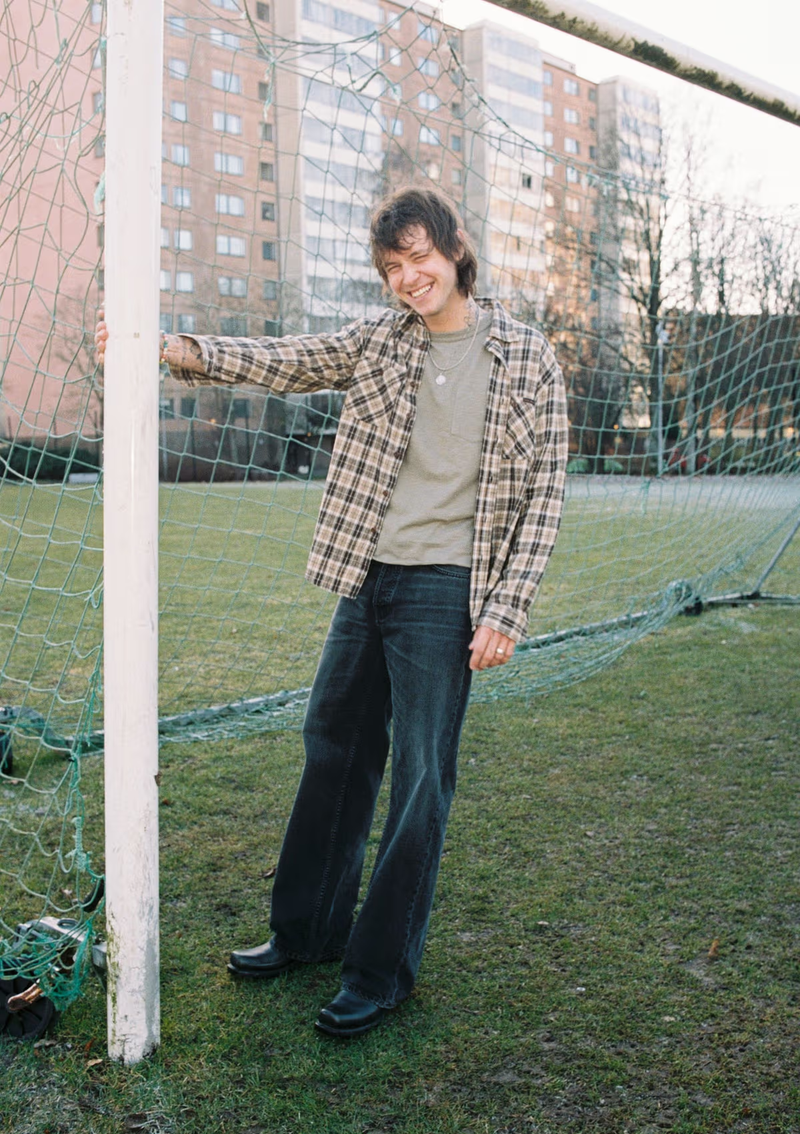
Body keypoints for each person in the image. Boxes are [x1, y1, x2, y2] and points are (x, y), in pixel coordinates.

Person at [95, 185, 568, 1037]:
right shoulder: (381, 340)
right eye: (392, 268)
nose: (408, 278)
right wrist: (170, 350)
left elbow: (544, 495)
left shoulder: (528, 357)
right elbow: (289, 360)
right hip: (367, 574)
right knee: (334, 744)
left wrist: (507, 608)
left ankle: (380, 972)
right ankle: (307, 930)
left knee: (421, 775)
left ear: (455, 249)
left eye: (418, 257)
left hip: (447, 589)